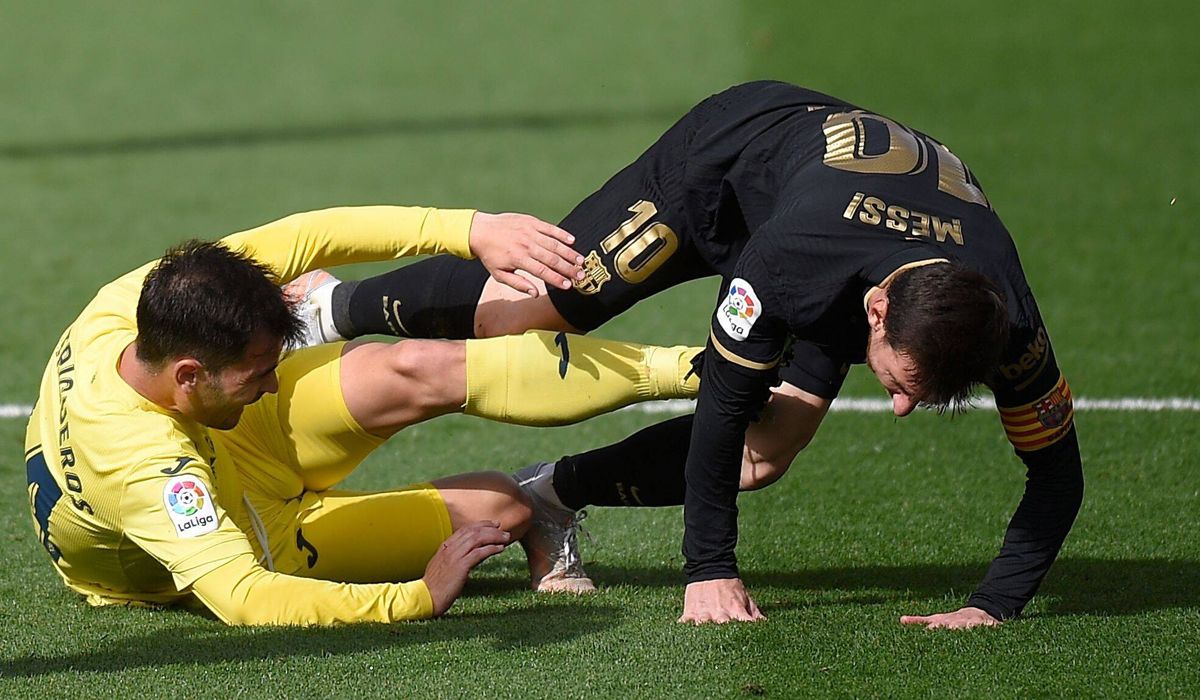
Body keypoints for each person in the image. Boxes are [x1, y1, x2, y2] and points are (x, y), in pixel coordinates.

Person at [295, 81, 1083, 628]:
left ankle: (548, 496)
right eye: (900, 382)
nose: (901, 407)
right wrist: (710, 568)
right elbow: (722, 403)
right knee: (544, 305)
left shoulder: (1001, 315)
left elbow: (1058, 474)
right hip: (725, 165)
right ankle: (328, 305)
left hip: (838, 231)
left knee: (767, 453)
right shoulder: (793, 262)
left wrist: (993, 604)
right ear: (876, 311)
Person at [23, 205, 701, 626]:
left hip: (226, 442)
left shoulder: (137, 304)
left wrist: (471, 230)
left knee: (414, 364)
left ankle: (695, 367)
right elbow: (245, 598)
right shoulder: (147, 471)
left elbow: (305, 235)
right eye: (260, 371)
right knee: (501, 509)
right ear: (191, 375)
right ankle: (538, 498)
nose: (271, 384)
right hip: (251, 530)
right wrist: (415, 598)